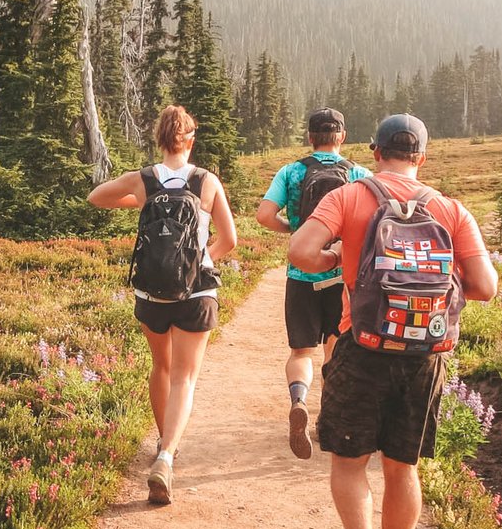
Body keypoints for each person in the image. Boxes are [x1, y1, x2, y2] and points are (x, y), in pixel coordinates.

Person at [287, 113, 497, 529]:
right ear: (422, 157)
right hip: (425, 352)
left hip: (361, 343)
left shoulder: (350, 196)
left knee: (348, 461)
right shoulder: (451, 210)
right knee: (404, 467)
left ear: (375, 152)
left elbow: (300, 250)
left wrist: (343, 263)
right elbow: (486, 286)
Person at [88, 104, 238, 505]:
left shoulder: (144, 179)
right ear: (190, 140)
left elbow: (96, 197)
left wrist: (135, 202)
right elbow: (230, 239)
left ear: (159, 140)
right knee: (184, 378)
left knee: (161, 366)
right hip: (197, 291)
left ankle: (162, 445)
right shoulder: (207, 181)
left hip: (151, 291)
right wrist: (203, 260)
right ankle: (168, 454)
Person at [255, 107, 369, 460]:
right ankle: (326, 420)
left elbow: (263, 215)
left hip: (302, 276)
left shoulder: (292, 171)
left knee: (301, 351)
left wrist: (296, 231)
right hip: (341, 277)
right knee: (334, 349)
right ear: (342, 137)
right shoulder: (357, 173)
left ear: (310, 137)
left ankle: (299, 399)